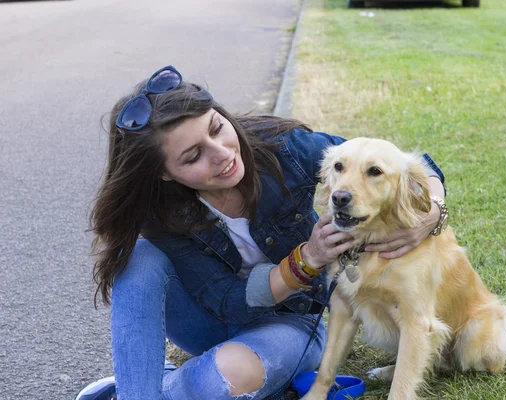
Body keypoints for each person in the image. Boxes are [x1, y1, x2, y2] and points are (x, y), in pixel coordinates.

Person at [76, 65, 446, 400]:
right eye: (193, 157)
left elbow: (412, 164)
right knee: (138, 259)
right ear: (165, 173)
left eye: (217, 127)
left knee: (221, 382)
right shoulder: (159, 209)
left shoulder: (282, 147)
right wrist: (307, 259)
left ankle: (144, 387)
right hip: (209, 319)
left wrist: (432, 213)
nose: (221, 154)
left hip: (293, 321)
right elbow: (227, 300)